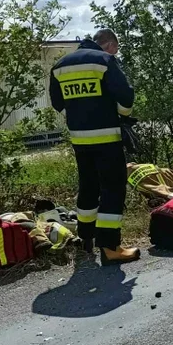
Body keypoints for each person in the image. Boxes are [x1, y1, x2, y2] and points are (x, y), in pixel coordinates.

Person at [49, 29, 140, 264]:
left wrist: (78, 116)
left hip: (80, 139)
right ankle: (110, 247)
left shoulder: (60, 65)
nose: (115, 53)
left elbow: (58, 102)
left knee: (88, 187)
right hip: (107, 137)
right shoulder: (105, 60)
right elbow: (126, 97)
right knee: (113, 188)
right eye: (116, 49)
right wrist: (122, 117)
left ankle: (86, 239)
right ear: (109, 44)